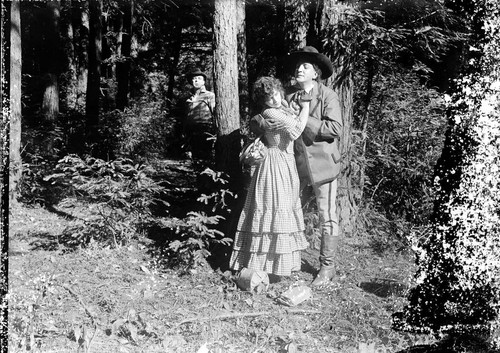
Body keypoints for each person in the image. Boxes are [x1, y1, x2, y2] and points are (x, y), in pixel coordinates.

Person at [250, 46, 343, 287]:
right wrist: (260, 123)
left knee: (327, 215)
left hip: (324, 166)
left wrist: (304, 119)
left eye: (306, 67)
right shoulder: (288, 95)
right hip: (293, 168)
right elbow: (266, 118)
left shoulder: (328, 95)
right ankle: (284, 262)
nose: (299, 69)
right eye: (298, 66)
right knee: (285, 214)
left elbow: (334, 129)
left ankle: (327, 267)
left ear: (316, 73)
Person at [229, 76, 311, 277]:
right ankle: (261, 266)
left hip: (286, 162)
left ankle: (279, 266)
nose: (274, 99)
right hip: (275, 164)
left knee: (283, 211)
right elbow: (297, 129)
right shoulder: (271, 112)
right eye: (268, 97)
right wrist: (306, 106)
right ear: (263, 101)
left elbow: (292, 119)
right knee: (273, 209)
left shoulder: (282, 107)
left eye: (275, 93)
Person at [183, 68, 216, 161]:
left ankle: (206, 173)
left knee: (205, 155)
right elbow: (186, 116)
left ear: (204, 81)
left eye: (199, 78)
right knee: (194, 156)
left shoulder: (210, 95)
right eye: (194, 79)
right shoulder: (189, 98)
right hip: (191, 130)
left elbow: (214, 112)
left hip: (204, 128)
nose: (196, 80)